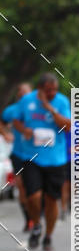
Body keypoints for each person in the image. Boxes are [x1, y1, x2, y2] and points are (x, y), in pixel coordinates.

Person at [8, 73, 71, 251]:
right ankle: (36, 224)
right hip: (32, 157)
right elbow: (15, 121)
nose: (52, 93)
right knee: (33, 196)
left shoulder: (62, 102)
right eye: (48, 90)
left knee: (51, 200)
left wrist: (49, 107)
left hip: (56, 159)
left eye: (54, 90)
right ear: (40, 88)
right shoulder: (26, 100)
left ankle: (48, 236)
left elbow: (67, 126)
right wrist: (24, 130)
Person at [1, 81, 33, 232]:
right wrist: (6, 135)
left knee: (34, 188)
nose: (22, 95)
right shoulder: (12, 110)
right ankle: (29, 219)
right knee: (21, 186)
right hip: (18, 153)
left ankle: (36, 215)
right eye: (20, 92)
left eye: (25, 92)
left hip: (37, 154)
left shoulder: (37, 109)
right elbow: (1, 123)